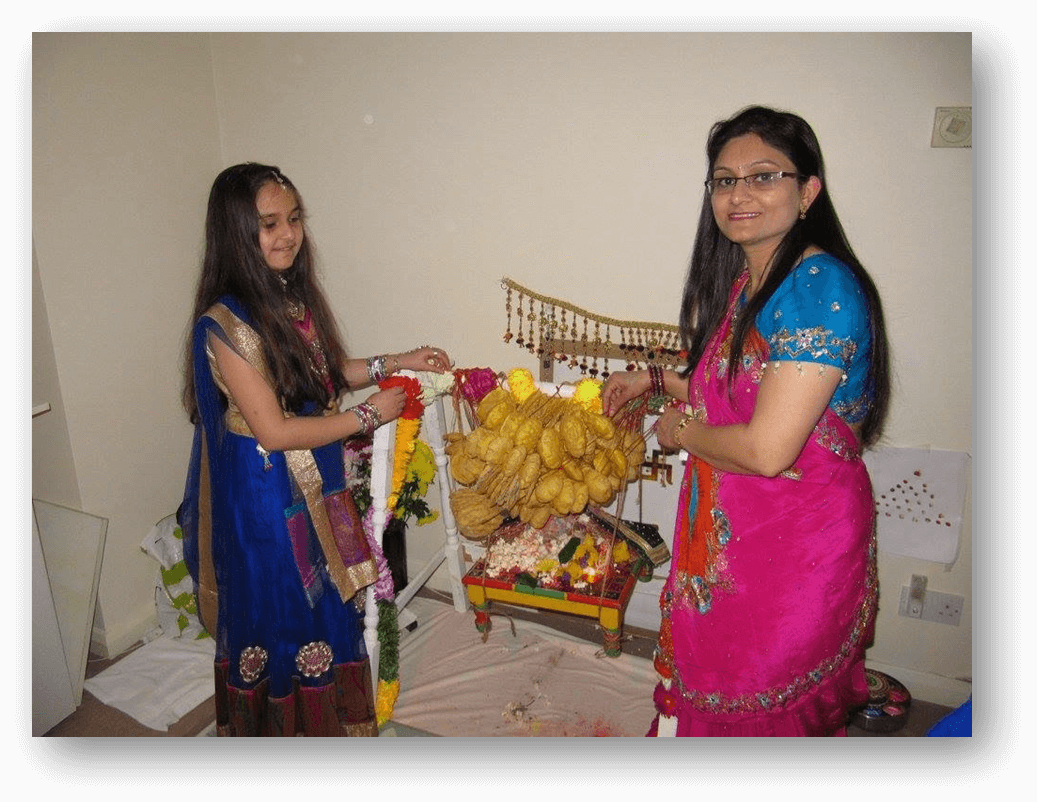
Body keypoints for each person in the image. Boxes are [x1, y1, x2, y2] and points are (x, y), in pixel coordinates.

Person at [602, 106, 891, 737]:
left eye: (763, 176)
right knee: (713, 692)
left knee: (759, 706)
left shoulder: (818, 288)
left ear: (807, 190)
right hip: (738, 528)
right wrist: (652, 381)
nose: (740, 195)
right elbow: (743, 389)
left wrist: (678, 432)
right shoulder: (754, 276)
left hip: (795, 542)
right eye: (724, 180)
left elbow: (766, 447)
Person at [178, 162, 452, 737]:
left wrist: (399, 360)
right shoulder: (225, 324)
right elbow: (273, 429)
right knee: (287, 605)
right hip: (268, 496)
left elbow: (324, 374)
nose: (288, 235)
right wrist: (367, 415)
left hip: (310, 477)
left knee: (322, 598)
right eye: (269, 223)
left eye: (294, 219)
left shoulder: (288, 298)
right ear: (235, 234)